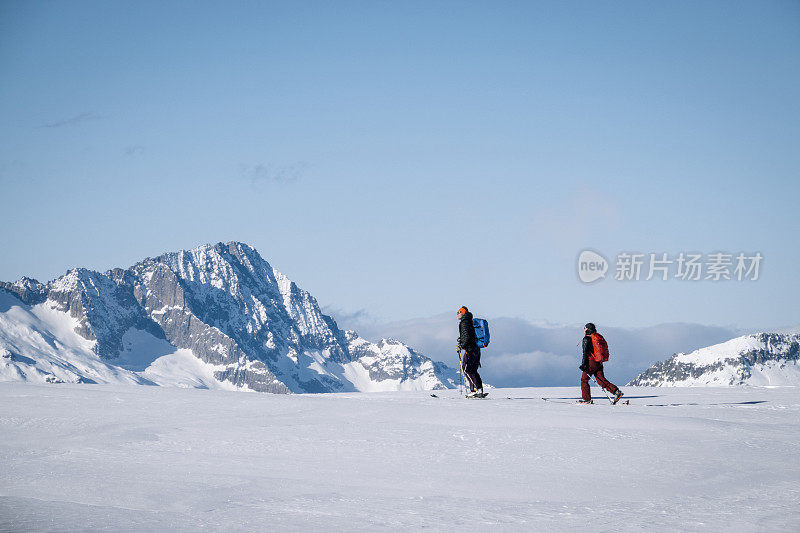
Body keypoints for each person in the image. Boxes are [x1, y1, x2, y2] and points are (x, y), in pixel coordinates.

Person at [579, 323, 624, 404]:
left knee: (584, 380)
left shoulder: (586, 339)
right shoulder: (597, 337)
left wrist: (583, 364)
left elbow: (585, 353)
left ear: (587, 329)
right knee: (601, 380)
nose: (583, 330)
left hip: (591, 362)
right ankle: (616, 391)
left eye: (584, 328)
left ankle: (586, 399)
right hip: (598, 362)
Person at [457, 306, 483, 397]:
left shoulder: (464, 323)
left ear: (462, 313)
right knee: (472, 370)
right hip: (476, 349)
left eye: (459, 312)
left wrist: (461, 346)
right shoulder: (469, 321)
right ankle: (477, 390)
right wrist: (461, 340)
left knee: (467, 370)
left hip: (470, 350)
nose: (457, 314)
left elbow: (467, 337)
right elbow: (467, 335)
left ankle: (476, 390)